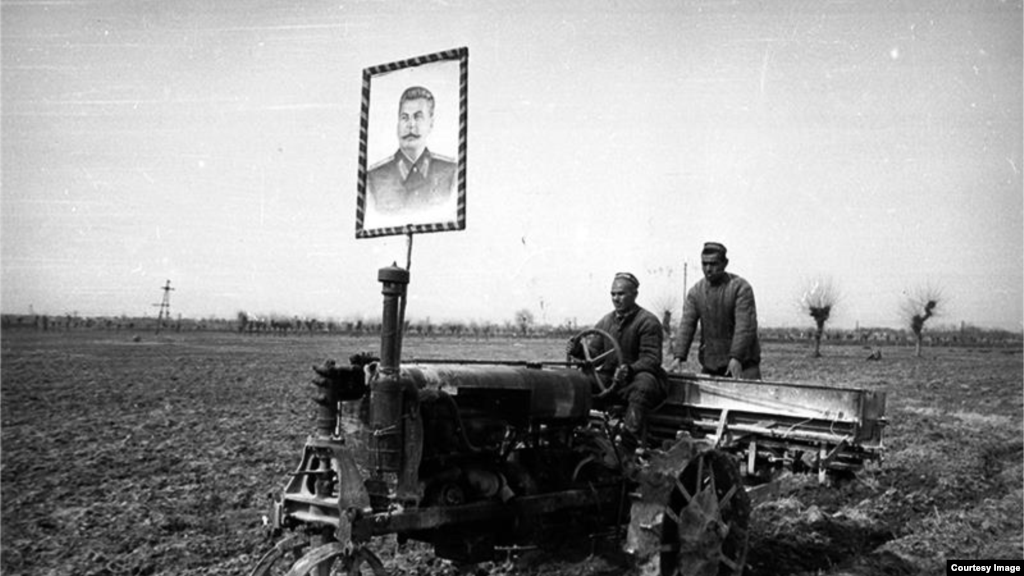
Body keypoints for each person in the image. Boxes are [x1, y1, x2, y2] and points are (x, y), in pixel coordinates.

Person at [569, 272, 667, 453]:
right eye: (613, 294)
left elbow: (652, 359)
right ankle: (573, 435)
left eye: (621, 294)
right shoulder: (606, 321)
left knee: (644, 384)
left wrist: (630, 369)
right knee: (579, 382)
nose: (616, 298)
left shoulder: (648, 322)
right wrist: (578, 350)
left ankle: (627, 446)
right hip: (610, 381)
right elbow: (594, 353)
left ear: (635, 294)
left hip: (635, 381)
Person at [670, 242, 762, 379]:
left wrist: (736, 357)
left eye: (713, 264)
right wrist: (678, 357)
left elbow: (745, 327)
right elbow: (686, 326)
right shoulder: (696, 292)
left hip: (743, 366)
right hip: (711, 367)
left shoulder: (740, 288)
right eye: (704, 264)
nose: (708, 269)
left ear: (725, 263)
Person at [367, 86, 457, 215]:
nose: (410, 124)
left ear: (431, 124)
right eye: (404, 117)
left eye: (418, 117)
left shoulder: (451, 173)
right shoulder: (374, 179)